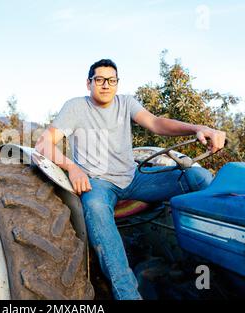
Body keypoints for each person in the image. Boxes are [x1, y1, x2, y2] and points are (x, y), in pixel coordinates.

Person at [35, 58, 226, 300]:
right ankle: (128, 294)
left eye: (111, 80)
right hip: (99, 183)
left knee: (195, 176)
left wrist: (199, 128)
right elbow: (43, 144)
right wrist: (72, 168)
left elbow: (156, 123)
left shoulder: (125, 102)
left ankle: (216, 265)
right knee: (94, 207)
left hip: (134, 178)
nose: (106, 85)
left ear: (117, 83)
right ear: (89, 83)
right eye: (100, 80)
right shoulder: (76, 107)